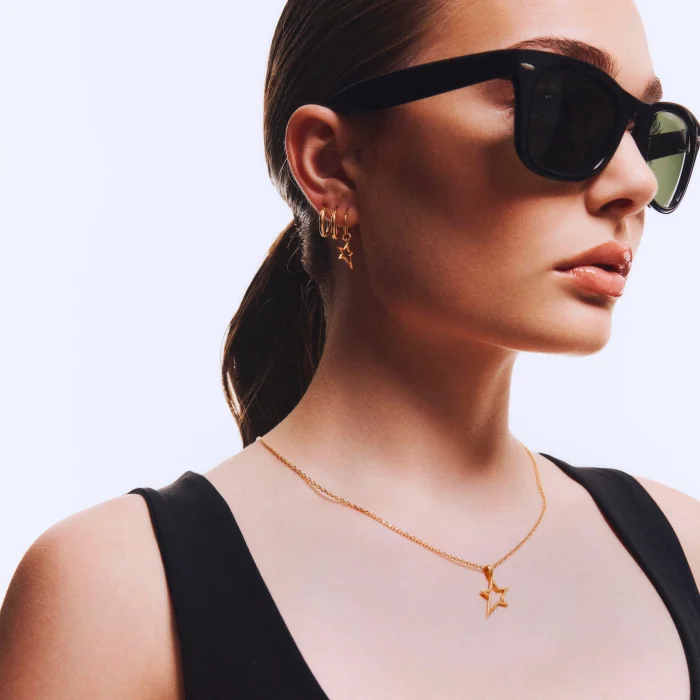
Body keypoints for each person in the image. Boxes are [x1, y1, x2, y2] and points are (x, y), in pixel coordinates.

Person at [2, 0, 700, 697]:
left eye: (648, 133)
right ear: (331, 164)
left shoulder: (688, 552)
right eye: (561, 102)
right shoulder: (117, 594)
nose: (637, 182)